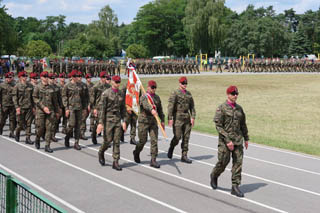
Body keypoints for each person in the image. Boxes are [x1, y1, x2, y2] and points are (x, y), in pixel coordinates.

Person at [210, 86, 249, 198]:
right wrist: (227, 140)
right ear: (228, 94)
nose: (235, 95)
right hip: (225, 142)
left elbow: (243, 125)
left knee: (238, 164)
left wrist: (246, 138)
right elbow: (218, 126)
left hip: (237, 140)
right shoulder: (221, 108)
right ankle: (214, 174)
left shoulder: (239, 109)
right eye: (233, 93)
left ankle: (235, 186)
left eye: (237, 93)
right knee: (223, 162)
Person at [96, 75, 127, 171]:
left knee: (116, 141)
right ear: (112, 82)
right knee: (108, 140)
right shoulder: (106, 93)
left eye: (119, 82)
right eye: (116, 82)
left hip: (117, 119)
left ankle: (115, 161)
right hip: (108, 119)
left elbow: (123, 109)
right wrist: (100, 123)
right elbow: (102, 109)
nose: (118, 84)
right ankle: (101, 152)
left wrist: (124, 121)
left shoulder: (121, 93)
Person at [133, 80, 165, 168]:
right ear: (148, 87)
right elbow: (146, 105)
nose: (153, 89)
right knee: (142, 141)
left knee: (154, 140)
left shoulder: (157, 98)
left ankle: (153, 159)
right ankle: (136, 152)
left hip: (153, 122)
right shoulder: (144, 96)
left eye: (155, 88)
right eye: (152, 87)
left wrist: (162, 120)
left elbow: (160, 110)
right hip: (144, 121)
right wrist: (151, 110)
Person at [167, 76, 196, 163]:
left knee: (186, 137)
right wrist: (170, 118)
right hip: (178, 117)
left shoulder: (189, 94)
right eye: (183, 83)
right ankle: (171, 147)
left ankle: (184, 155)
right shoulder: (175, 93)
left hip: (186, 117)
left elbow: (192, 107)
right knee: (177, 137)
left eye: (186, 83)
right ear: (179, 84)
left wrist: (193, 117)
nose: (185, 85)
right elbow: (170, 106)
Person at [33, 71, 59, 152]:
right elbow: (35, 98)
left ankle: (47, 145)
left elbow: (55, 100)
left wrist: (57, 111)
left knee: (49, 128)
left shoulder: (52, 88)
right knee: (40, 128)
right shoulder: (37, 87)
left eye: (47, 76)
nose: (46, 78)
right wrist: (43, 107)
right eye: (44, 76)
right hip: (41, 111)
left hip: (50, 110)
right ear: (41, 77)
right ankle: (37, 138)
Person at [62, 70, 85, 150]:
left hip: (79, 107)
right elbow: (64, 97)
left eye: (77, 76)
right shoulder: (67, 85)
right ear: (71, 77)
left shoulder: (80, 85)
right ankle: (67, 137)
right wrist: (66, 108)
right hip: (71, 108)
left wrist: (84, 108)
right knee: (71, 124)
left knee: (78, 125)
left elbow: (83, 97)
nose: (76, 78)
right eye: (74, 76)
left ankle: (76, 142)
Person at [12, 71, 35, 144]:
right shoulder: (17, 86)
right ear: (20, 77)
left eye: (26, 76)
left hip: (29, 107)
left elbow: (32, 97)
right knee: (20, 124)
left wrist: (34, 107)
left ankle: (28, 138)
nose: (25, 77)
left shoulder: (30, 86)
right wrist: (17, 107)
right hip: (21, 107)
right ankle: (17, 133)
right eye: (24, 76)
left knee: (29, 123)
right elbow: (14, 97)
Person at [90, 71, 110, 144]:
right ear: (100, 78)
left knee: (106, 123)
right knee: (98, 123)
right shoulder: (96, 87)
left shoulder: (108, 86)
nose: (104, 79)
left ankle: (106, 141)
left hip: (106, 107)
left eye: (105, 77)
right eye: (103, 77)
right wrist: (94, 109)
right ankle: (93, 135)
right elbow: (92, 99)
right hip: (98, 107)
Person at [0, 72, 16, 137]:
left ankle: (12, 132)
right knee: (3, 119)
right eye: (9, 77)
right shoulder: (1, 85)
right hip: (4, 105)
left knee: (12, 119)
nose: (10, 78)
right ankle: (0, 128)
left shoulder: (14, 85)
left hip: (12, 104)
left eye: (11, 77)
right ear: (6, 78)